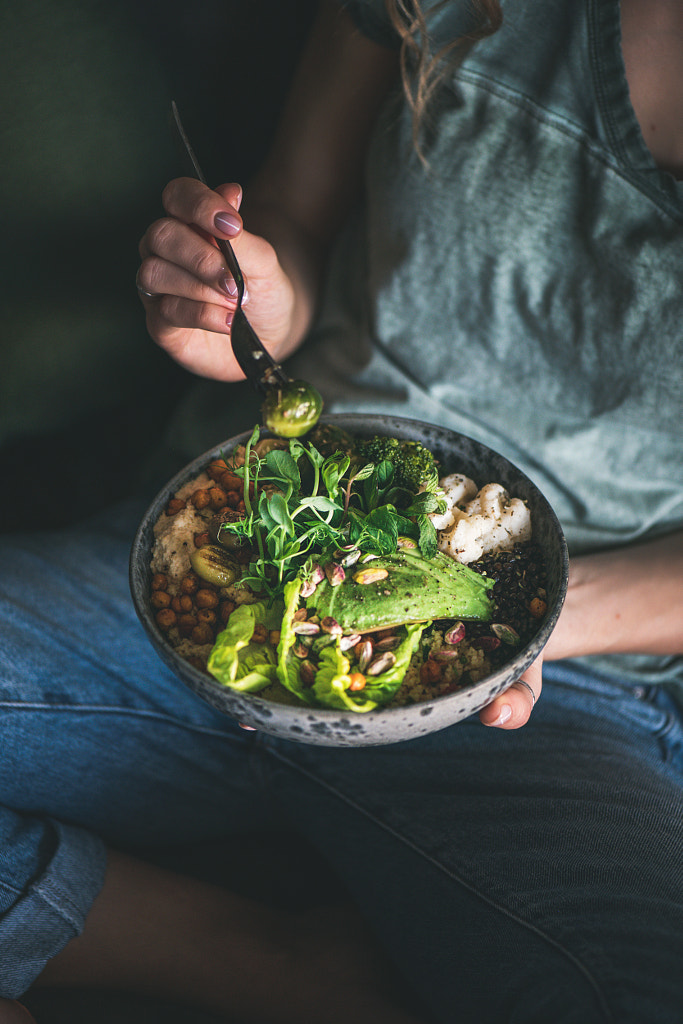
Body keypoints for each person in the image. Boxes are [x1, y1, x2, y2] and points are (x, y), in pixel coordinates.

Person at [2, 0, 683, 1021]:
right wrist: (251, 306)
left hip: (556, 682)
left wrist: (517, 622)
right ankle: (257, 962)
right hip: (226, 551)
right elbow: (298, 221)